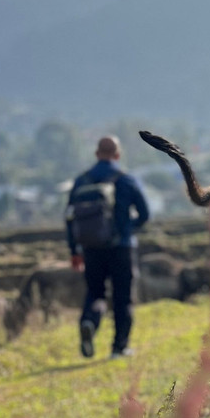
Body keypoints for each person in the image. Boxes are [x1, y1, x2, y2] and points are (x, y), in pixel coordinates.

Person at [66, 136, 150, 359]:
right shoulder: (126, 180)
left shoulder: (81, 181)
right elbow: (145, 214)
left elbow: (69, 218)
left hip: (91, 248)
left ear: (96, 154)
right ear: (118, 155)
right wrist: (126, 229)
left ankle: (89, 322)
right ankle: (119, 348)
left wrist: (74, 251)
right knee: (123, 297)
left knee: (95, 293)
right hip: (121, 248)